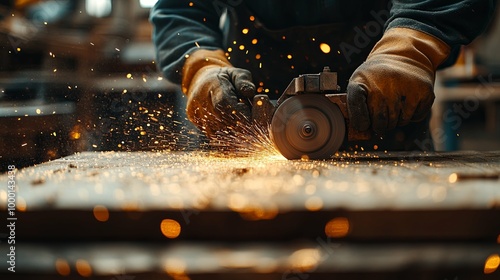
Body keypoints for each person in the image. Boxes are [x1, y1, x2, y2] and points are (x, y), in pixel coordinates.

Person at [150, 0, 496, 151]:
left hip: (389, 122)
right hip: (245, 121)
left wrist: (408, 50)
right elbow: (181, 8)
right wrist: (201, 66)